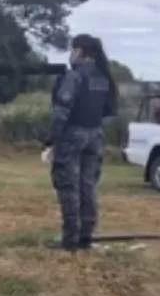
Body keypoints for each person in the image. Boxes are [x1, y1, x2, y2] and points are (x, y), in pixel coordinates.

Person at [43, 34, 118, 252]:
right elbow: (108, 110)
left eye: (72, 49)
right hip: (95, 135)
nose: (71, 54)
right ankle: (86, 235)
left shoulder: (73, 77)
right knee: (88, 187)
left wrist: (50, 140)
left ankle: (70, 239)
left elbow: (61, 111)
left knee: (69, 186)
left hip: (72, 135)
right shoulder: (103, 78)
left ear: (80, 51)